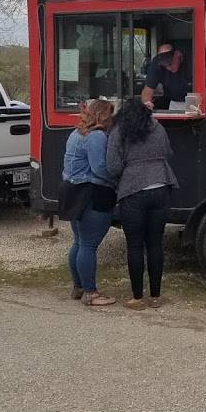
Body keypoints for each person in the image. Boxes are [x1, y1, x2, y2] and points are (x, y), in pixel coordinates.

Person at [107, 97, 179, 310]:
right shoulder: (158, 129)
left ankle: (137, 298)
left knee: (135, 245)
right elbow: (168, 153)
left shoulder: (119, 132)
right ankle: (156, 296)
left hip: (133, 191)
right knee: (155, 244)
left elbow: (112, 166)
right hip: (160, 187)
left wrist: (126, 174)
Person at [58, 99, 117, 307]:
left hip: (72, 191)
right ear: (102, 116)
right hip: (91, 193)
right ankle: (91, 293)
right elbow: (100, 168)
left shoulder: (76, 134)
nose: (112, 119)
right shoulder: (97, 136)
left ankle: (79, 287)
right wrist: (118, 179)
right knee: (88, 245)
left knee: (79, 242)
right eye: (110, 115)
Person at [142, 43, 188, 111]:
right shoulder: (156, 63)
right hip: (172, 101)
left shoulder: (192, 60)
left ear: (177, 54)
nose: (169, 67)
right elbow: (148, 89)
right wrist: (147, 103)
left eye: (170, 63)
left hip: (194, 102)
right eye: (165, 66)